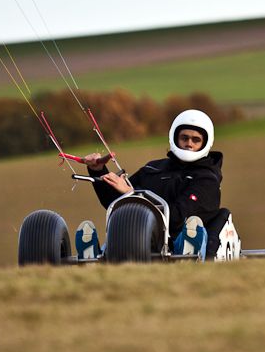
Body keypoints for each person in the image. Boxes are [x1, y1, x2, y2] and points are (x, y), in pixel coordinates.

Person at [76, 109, 226, 259]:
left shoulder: (207, 179)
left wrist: (131, 193)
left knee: (192, 228)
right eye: (184, 138)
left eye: (196, 140)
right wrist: (98, 170)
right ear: (175, 138)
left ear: (205, 143)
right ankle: (94, 255)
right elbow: (114, 203)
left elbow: (177, 217)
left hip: (173, 242)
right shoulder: (153, 168)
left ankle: (187, 252)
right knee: (121, 220)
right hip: (137, 236)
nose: (189, 144)